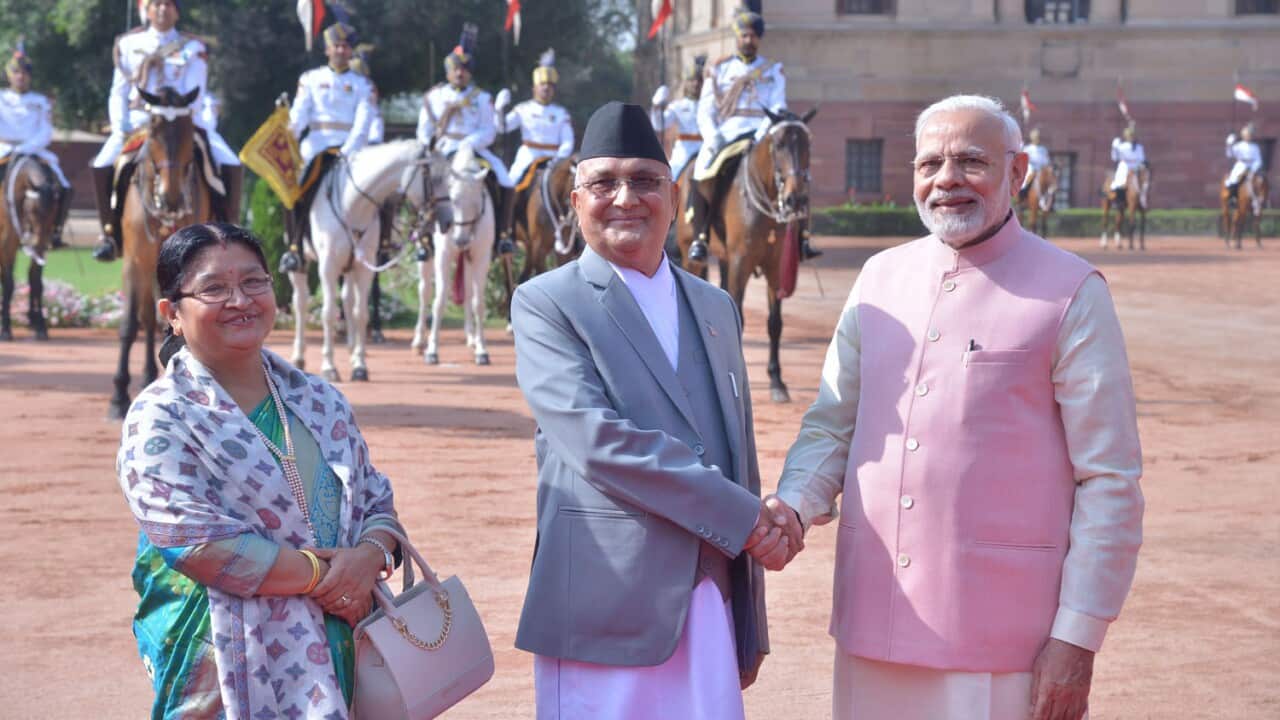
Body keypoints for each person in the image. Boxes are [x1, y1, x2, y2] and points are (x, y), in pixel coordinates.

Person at [772, 94, 1144, 720]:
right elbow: (834, 424)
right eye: (929, 164)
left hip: (1003, 637)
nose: (946, 179)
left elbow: (1109, 478)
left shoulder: (1071, 291)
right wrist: (794, 506)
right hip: (875, 619)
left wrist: (1077, 636)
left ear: (1017, 172)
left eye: (971, 161)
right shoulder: (879, 280)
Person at [510, 101, 797, 719]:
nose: (625, 198)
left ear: (672, 195)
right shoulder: (546, 303)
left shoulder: (715, 305)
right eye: (603, 182)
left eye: (644, 180)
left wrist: (749, 610)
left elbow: (735, 448)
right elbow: (594, 441)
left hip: (710, 591)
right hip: (602, 599)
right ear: (576, 197)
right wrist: (746, 518)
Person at [117, 222, 405, 719]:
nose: (240, 300)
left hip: (344, 640)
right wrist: (330, 578)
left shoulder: (320, 400)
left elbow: (376, 502)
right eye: (214, 288)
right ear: (172, 314)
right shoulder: (160, 416)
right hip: (221, 652)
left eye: (254, 282)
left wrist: (368, 557)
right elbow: (197, 543)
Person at [91, 0, 243, 262]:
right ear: (147, 10)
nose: (163, 9)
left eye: (169, 4)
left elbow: (195, 92)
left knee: (231, 161)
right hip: (139, 123)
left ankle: (229, 228)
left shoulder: (193, 48)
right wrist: (121, 125)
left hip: (181, 122)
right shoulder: (128, 45)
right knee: (102, 164)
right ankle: (110, 233)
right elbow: (118, 92)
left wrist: (177, 116)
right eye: (157, 4)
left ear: (177, 12)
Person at [689, 1, 818, 262]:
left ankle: (802, 239)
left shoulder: (773, 70)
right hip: (725, 133)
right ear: (738, 38)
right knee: (699, 170)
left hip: (763, 132)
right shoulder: (719, 69)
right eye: (744, 35)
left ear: (759, 39)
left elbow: (778, 105)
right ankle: (700, 237)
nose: (748, 40)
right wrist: (712, 136)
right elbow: (705, 108)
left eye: (753, 36)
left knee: (797, 172)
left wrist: (762, 134)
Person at [281, 21, 375, 272]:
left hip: (350, 150)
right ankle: (294, 247)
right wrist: (290, 129)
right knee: (295, 190)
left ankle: (383, 242)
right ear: (327, 50)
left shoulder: (362, 84)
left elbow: (364, 121)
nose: (342, 51)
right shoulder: (311, 79)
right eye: (337, 46)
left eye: (346, 47)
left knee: (380, 191)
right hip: (317, 148)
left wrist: (349, 149)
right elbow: (300, 114)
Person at [418, 23, 516, 256]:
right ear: (448, 71)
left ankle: (503, 234)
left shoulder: (482, 98)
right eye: (456, 69)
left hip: (474, 149)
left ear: (470, 72)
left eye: (464, 69)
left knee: (506, 180)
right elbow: (424, 129)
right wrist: (429, 146)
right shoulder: (434, 96)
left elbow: (489, 131)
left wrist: (469, 144)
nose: (460, 73)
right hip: (442, 150)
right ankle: (423, 236)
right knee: (422, 181)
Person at [494, 48, 575, 256]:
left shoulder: (561, 113)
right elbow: (502, 127)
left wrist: (559, 158)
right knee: (510, 185)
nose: (546, 89)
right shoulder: (523, 109)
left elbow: (568, 140)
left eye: (549, 86)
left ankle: (575, 235)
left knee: (571, 186)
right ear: (534, 88)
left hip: (554, 159)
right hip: (528, 155)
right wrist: (499, 109)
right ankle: (506, 232)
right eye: (542, 85)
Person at [0, 44, 73, 247]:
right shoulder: (1, 98)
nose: (20, 77)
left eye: (24, 73)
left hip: (34, 151)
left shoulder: (40, 101)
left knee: (65, 186)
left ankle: (55, 232)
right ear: (9, 75)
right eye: (16, 72)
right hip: (4, 149)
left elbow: (46, 131)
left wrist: (27, 147)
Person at [649, 55, 707, 182]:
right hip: (685, 152)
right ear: (686, 83)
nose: (696, 84)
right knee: (671, 178)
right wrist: (657, 105)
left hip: (706, 149)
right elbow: (659, 124)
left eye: (699, 80)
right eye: (692, 80)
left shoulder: (709, 105)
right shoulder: (677, 106)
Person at [1224, 122, 1262, 198]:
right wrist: (1229, 145)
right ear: (1243, 136)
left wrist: (1254, 168)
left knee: (1260, 180)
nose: (1248, 137)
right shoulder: (1238, 146)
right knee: (1233, 179)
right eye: (1247, 135)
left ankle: (1260, 199)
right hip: (1241, 165)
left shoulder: (1255, 147)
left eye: (1250, 135)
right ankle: (1233, 197)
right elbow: (1230, 154)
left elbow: (1258, 159)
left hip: (1252, 166)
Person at [1109, 122, 1145, 196]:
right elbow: (1115, 158)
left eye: (1132, 136)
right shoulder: (1121, 146)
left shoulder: (1139, 147)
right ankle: (1117, 192)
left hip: (1136, 166)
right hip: (1125, 165)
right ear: (1126, 137)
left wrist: (1140, 165)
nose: (1131, 138)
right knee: (1120, 178)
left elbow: (1142, 158)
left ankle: (1142, 195)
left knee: (1143, 177)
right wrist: (1114, 148)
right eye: (1129, 136)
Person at [1020, 126, 1051, 199]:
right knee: (1029, 178)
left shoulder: (1043, 149)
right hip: (1031, 168)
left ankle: (1050, 200)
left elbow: (1046, 161)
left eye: (1038, 137)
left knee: (1051, 179)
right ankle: (1022, 195)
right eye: (1036, 137)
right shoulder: (1027, 149)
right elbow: (1025, 159)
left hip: (1041, 169)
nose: (1037, 139)